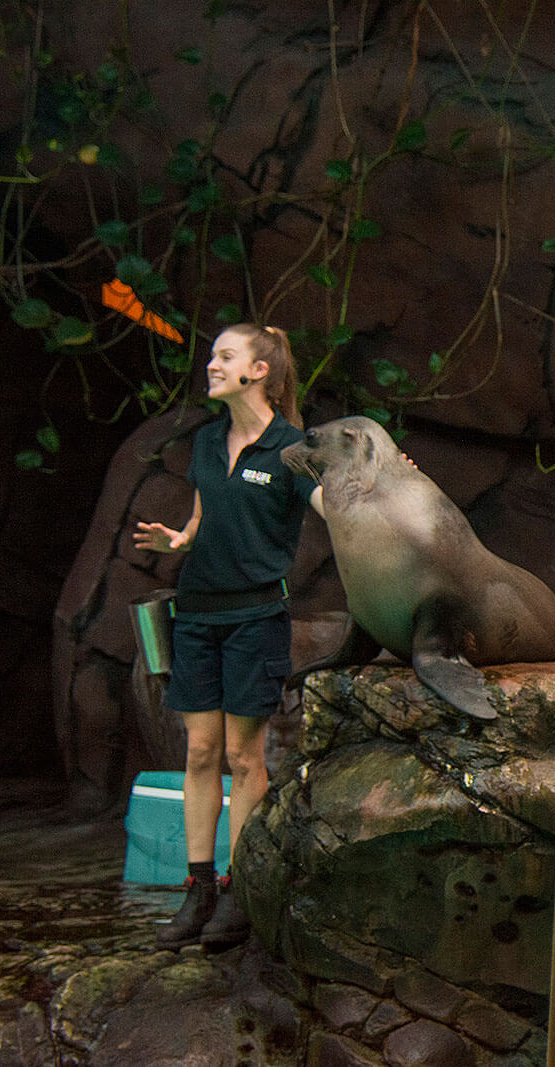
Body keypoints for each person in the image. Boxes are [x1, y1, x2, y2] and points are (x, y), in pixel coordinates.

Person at [134, 323, 321, 951]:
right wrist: (180, 542)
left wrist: (383, 474)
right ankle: (199, 891)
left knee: (245, 758)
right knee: (198, 754)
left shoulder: (294, 450)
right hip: (196, 616)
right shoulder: (209, 443)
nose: (211, 365)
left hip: (255, 618)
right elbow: (203, 513)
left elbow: (339, 505)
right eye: (213, 356)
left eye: (224, 356)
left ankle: (242, 888)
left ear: (259, 370)